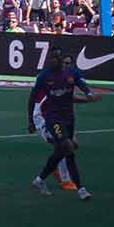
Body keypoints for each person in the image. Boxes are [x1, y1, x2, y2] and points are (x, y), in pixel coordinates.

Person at [29, 48, 97, 200]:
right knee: (67, 147)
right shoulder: (45, 77)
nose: (65, 65)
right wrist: (30, 121)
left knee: (68, 147)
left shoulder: (70, 75)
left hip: (66, 117)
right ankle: (75, 185)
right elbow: (34, 98)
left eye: (68, 63)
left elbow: (70, 96)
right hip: (44, 117)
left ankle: (40, 179)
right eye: (63, 62)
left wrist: (89, 95)